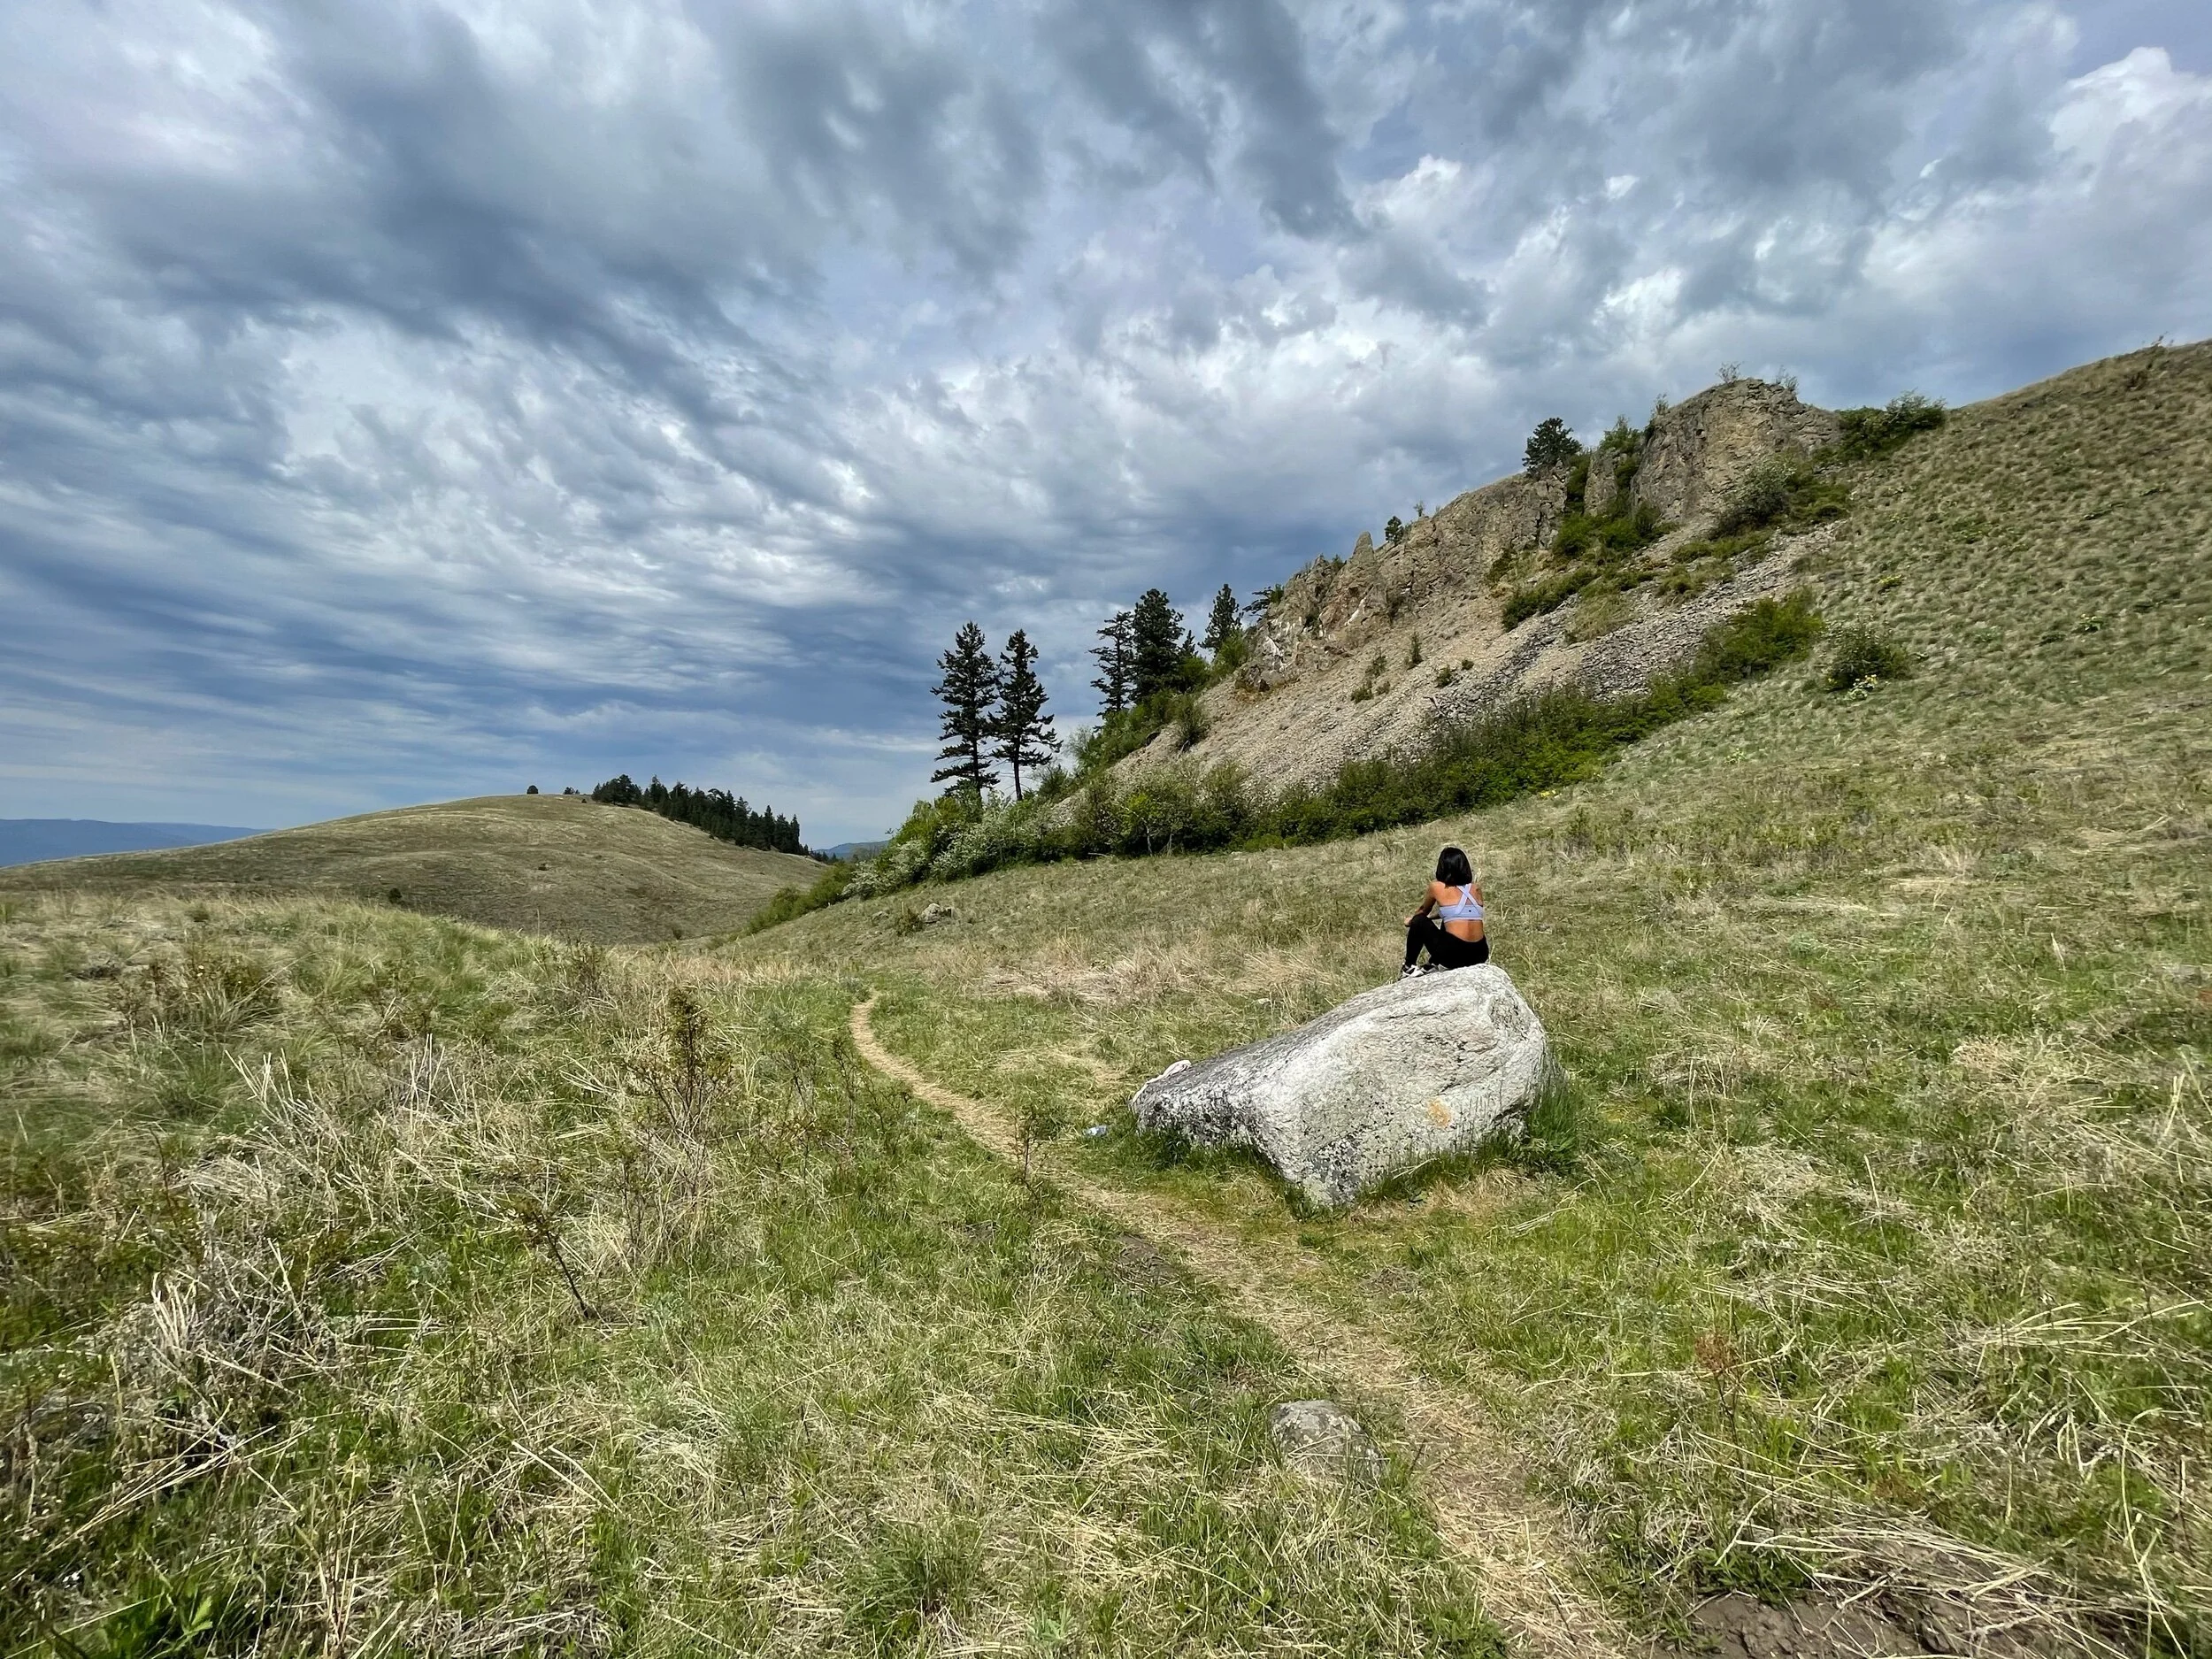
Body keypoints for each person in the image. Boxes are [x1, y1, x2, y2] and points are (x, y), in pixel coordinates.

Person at [1402, 845, 1489, 976]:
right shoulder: (1475, 888)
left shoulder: (1437, 887)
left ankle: (1408, 967)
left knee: (1419, 920)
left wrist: (1411, 921)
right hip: (1480, 954)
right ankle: (1433, 964)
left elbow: (1422, 911)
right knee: (1448, 923)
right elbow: (1460, 913)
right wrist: (1433, 917)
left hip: (1453, 956)